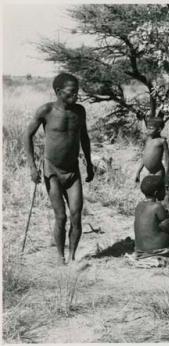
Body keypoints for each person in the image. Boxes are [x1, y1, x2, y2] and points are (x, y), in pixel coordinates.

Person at [23, 72, 94, 264]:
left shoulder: (80, 111)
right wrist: (32, 166)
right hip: (52, 171)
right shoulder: (46, 111)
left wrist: (89, 163)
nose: (76, 95)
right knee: (61, 216)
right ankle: (61, 257)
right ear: (58, 91)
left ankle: (72, 257)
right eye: (72, 92)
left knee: (76, 216)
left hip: (73, 172)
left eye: (77, 92)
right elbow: (27, 136)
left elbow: (84, 138)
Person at [134, 175, 169, 254]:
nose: (165, 192)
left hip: (139, 248)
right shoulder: (157, 206)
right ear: (156, 193)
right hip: (155, 249)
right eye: (163, 189)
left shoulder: (139, 205)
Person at [135, 117, 169, 183]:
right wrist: (138, 171)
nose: (148, 130)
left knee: (158, 191)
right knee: (150, 191)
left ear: (159, 129)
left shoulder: (162, 141)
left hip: (158, 172)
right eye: (147, 128)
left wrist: (167, 175)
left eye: (151, 128)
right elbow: (144, 156)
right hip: (150, 172)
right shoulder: (148, 140)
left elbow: (167, 159)